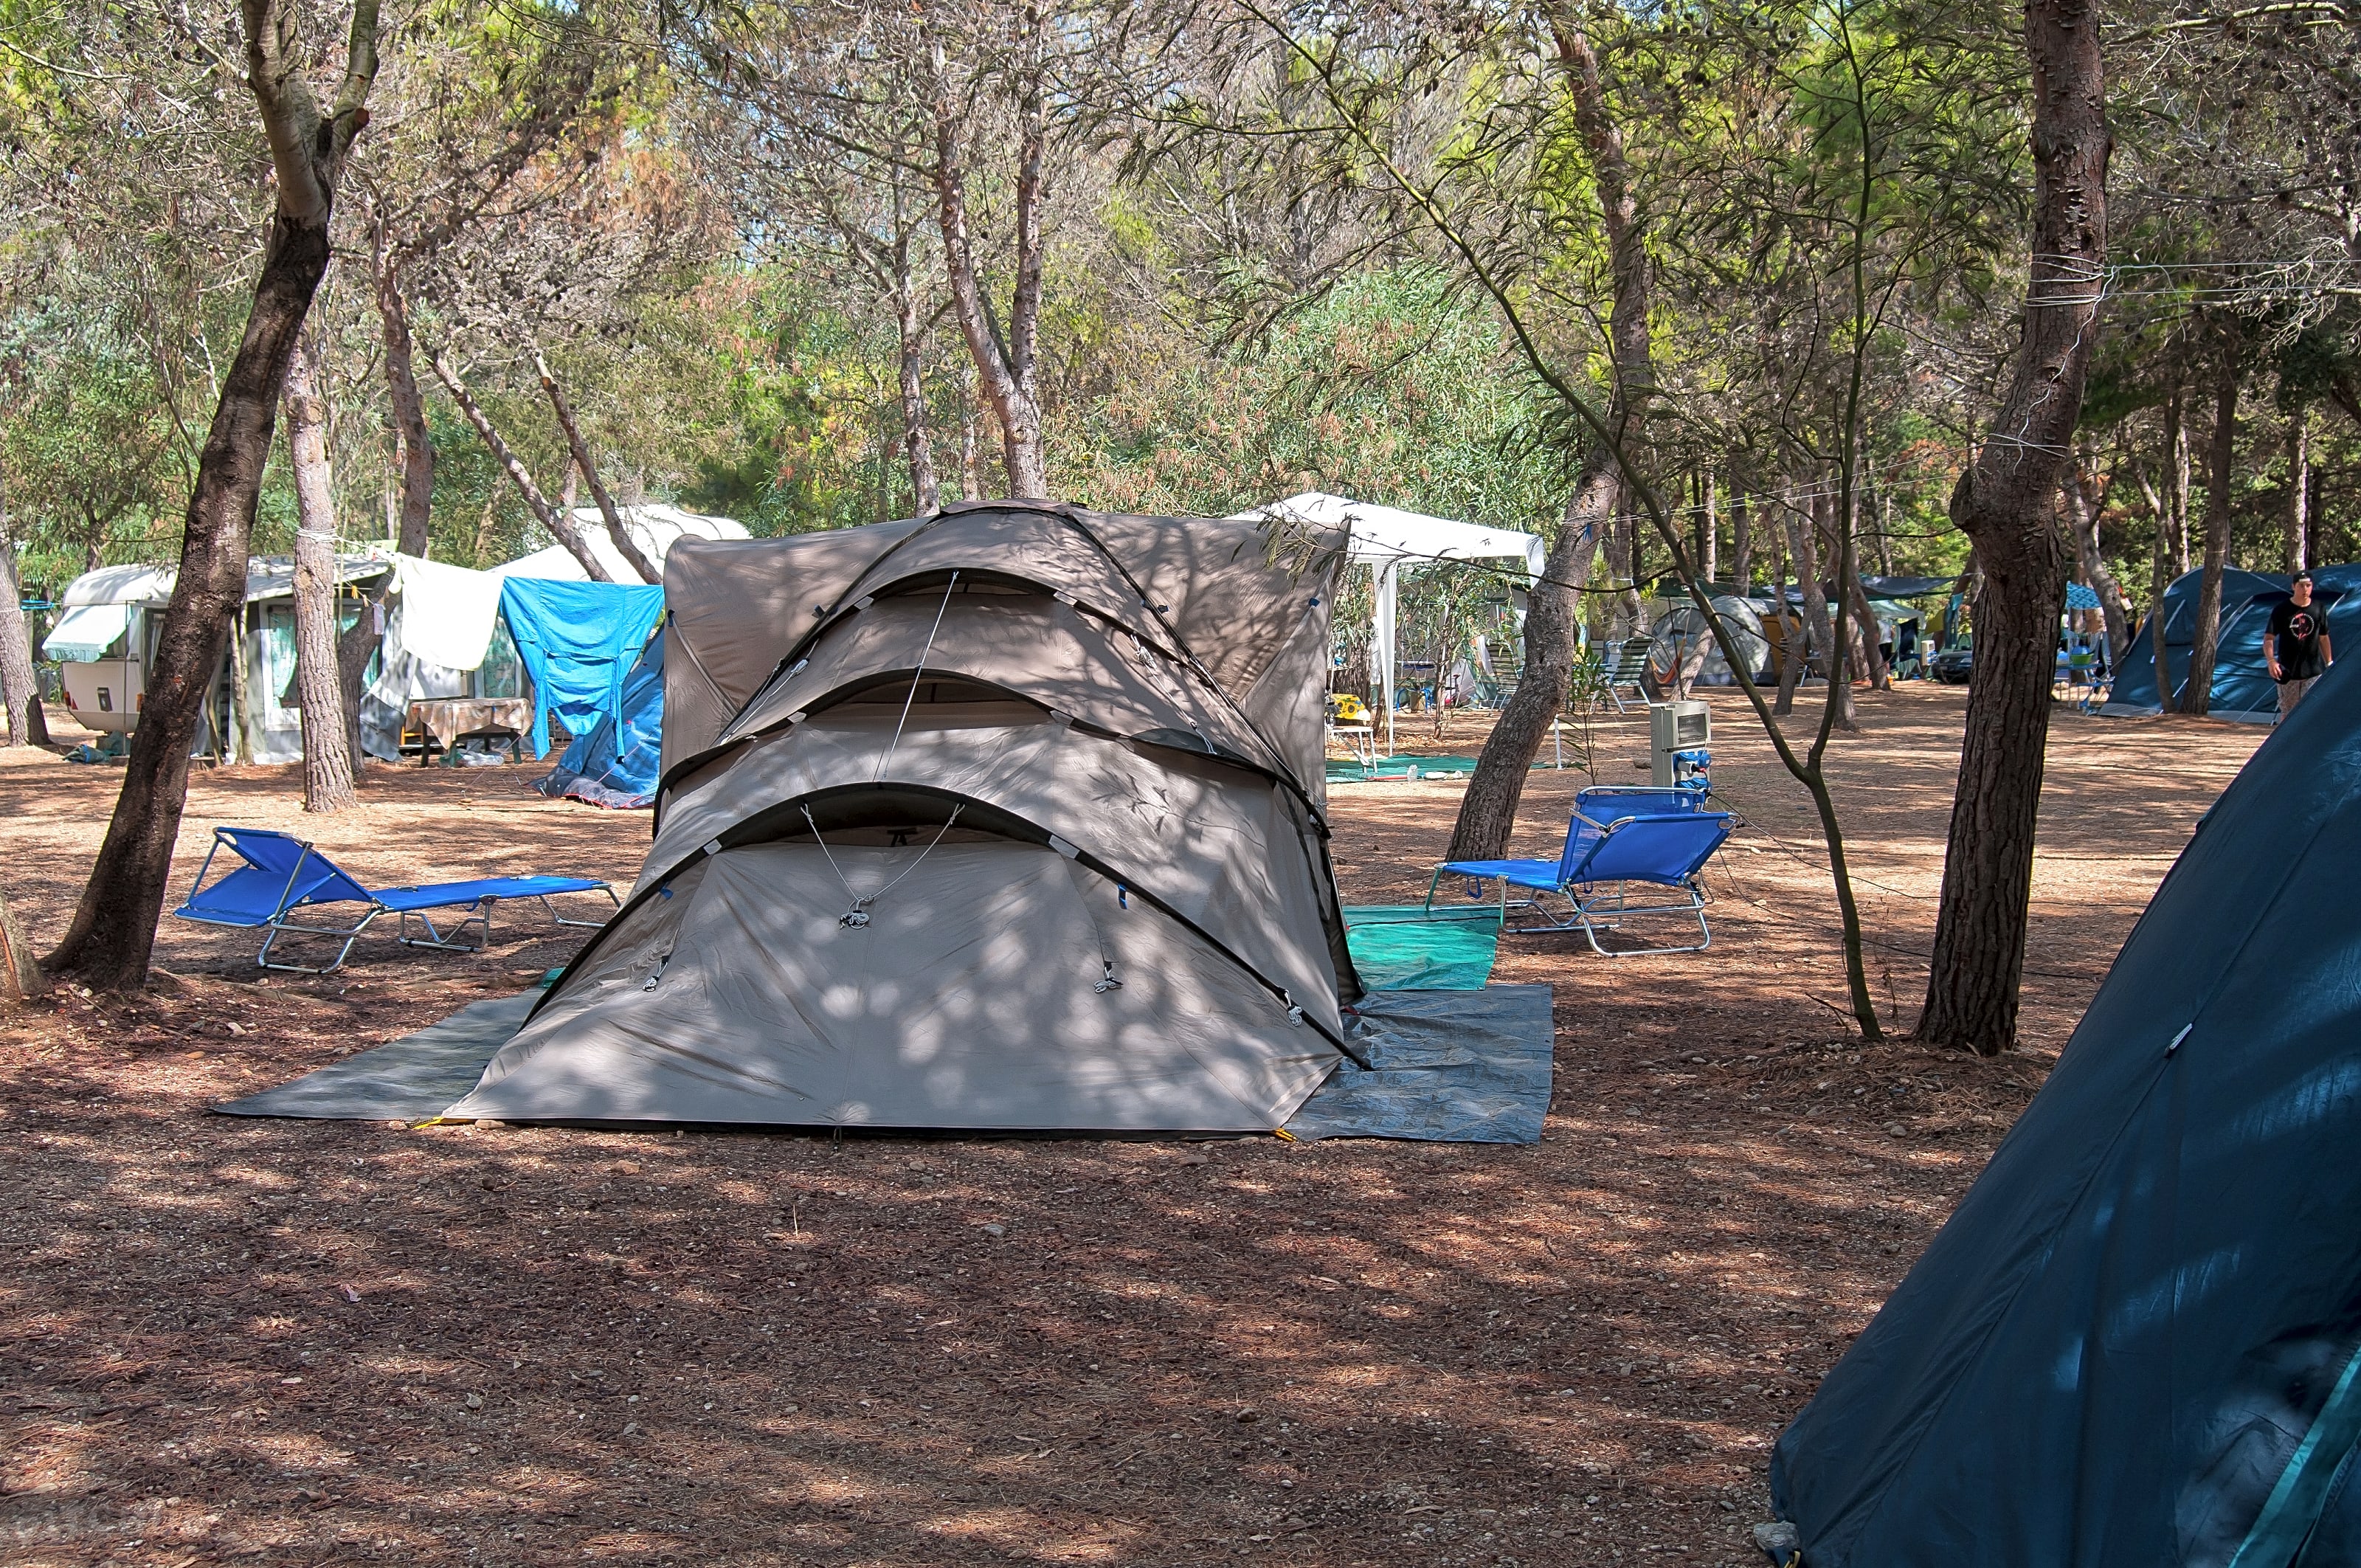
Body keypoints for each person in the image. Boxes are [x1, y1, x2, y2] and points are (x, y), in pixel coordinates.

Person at [2265, 570, 2335, 719]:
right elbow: (2269, 638)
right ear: (2293, 587)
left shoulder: (2319, 608)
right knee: (2289, 713)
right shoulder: (2282, 610)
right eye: (2301, 586)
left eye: (2308, 586)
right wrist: (2271, 661)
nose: (2305, 590)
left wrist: (2329, 662)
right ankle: (2285, 742)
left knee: (2312, 711)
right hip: (2288, 671)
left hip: (2313, 671)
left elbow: (2323, 637)